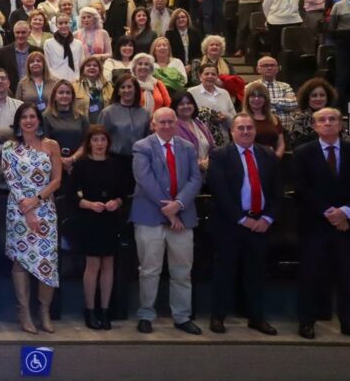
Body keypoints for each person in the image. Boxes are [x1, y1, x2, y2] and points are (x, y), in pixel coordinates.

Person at [129, 107, 203, 335]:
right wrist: (170, 212)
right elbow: (145, 180)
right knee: (149, 270)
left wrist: (178, 204)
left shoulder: (188, 147)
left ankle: (181, 316)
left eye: (171, 121)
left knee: (182, 271)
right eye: (162, 122)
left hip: (183, 217)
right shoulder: (142, 147)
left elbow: (195, 178)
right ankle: (145, 314)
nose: (167, 126)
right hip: (150, 217)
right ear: (153, 124)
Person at [206, 113, 281, 336]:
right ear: (232, 131)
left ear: (255, 131)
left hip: (260, 224)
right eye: (241, 128)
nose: (246, 131)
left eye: (249, 128)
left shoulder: (267, 155)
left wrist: (267, 218)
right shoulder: (219, 155)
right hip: (230, 225)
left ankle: (256, 318)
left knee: (256, 273)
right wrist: (242, 219)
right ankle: (218, 316)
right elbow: (219, 192)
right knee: (224, 272)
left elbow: (277, 191)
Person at [2, 103, 63, 335]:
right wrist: (27, 209)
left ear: (39, 120)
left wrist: (37, 200)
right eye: (24, 117)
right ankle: (24, 312)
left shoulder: (51, 145)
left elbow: (57, 180)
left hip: (45, 207)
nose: (29, 120)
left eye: (33, 117)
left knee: (47, 261)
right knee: (21, 261)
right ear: (18, 121)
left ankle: (44, 312)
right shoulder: (9, 147)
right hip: (18, 210)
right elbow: (11, 180)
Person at [293, 108, 350, 339]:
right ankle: (307, 321)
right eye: (322, 120)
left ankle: (347, 321)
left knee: (346, 275)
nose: (328, 123)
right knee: (311, 275)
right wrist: (330, 213)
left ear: (341, 124)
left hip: (346, 225)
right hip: (314, 224)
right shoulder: (302, 153)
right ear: (314, 126)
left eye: (332, 119)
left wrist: (345, 212)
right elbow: (302, 188)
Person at [72, 125, 130, 330]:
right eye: (95, 140)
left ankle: (105, 310)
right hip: (90, 219)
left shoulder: (115, 164)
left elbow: (123, 194)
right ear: (89, 143)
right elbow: (72, 196)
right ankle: (90, 310)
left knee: (108, 264)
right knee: (93, 264)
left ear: (108, 142)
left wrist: (116, 202)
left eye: (102, 140)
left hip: (110, 219)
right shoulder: (81, 165)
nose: (99, 144)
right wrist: (89, 204)